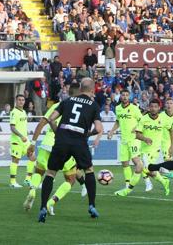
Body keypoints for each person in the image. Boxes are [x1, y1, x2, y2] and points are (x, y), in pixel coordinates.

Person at [38, 78, 103, 222]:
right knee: (89, 170)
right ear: (92, 90)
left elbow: (51, 118)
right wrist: (89, 134)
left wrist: (57, 132)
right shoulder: (94, 105)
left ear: (80, 88)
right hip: (79, 141)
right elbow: (98, 128)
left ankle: (43, 207)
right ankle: (91, 205)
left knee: (51, 173)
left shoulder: (67, 101)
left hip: (62, 140)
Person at [23, 83, 85, 214]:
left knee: (39, 171)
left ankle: (33, 190)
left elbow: (41, 124)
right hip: (66, 145)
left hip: (48, 143)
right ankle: (51, 202)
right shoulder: (82, 109)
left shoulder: (58, 105)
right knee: (70, 179)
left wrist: (33, 143)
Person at [115, 99, 172, 197]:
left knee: (139, 167)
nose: (153, 109)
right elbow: (137, 135)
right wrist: (145, 139)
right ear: (149, 107)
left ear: (159, 108)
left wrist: (172, 146)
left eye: (155, 107)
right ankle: (163, 180)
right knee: (147, 171)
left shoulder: (163, 119)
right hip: (143, 149)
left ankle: (127, 190)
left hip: (154, 150)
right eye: (151, 107)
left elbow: (172, 131)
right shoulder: (144, 119)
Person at [107, 90, 142, 189]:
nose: (125, 97)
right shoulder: (118, 108)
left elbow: (142, 120)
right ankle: (127, 184)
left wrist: (137, 128)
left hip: (134, 139)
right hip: (124, 139)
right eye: (123, 95)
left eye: (127, 95)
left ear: (129, 97)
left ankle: (147, 180)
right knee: (125, 163)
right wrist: (111, 131)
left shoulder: (134, 108)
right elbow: (118, 121)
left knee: (136, 161)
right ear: (120, 97)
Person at [9, 94, 36, 188]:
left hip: (25, 141)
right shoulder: (14, 112)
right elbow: (12, 127)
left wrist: (26, 134)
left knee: (33, 157)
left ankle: (27, 179)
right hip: (17, 140)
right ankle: (12, 182)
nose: (21, 101)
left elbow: (22, 126)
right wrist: (21, 136)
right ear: (16, 101)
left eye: (23, 100)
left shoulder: (24, 111)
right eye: (19, 100)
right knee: (15, 160)